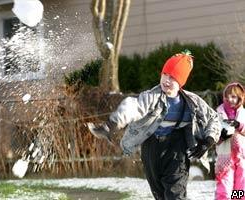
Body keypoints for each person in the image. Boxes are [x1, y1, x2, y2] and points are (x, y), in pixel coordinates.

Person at [88, 50, 221, 200]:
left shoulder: (192, 102)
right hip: (152, 148)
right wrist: (112, 124)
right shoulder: (152, 97)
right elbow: (134, 106)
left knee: (175, 193)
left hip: (177, 148)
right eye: (165, 75)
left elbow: (213, 119)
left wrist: (208, 141)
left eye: (172, 77)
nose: (166, 80)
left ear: (181, 82)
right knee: (160, 194)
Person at [215, 82, 245, 200]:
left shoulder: (243, 113)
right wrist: (222, 136)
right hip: (225, 156)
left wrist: (239, 125)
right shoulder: (219, 113)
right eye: (227, 97)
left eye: (233, 97)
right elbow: (213, 132)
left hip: (241, 156)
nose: (230, 99)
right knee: (224, 184)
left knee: (240, 185)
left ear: (240, 98)